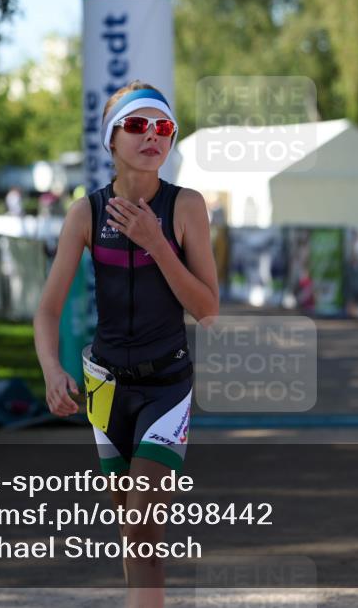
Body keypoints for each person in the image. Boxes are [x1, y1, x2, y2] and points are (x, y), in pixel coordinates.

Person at [33, 80, 219, 607]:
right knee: (137, 535)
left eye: (163, 127)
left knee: (139, 518)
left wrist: (157, 244)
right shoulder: (85, 213)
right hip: (106, 388)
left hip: (166, 387)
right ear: (111, 140)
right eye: (137, 125)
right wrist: (51, 369)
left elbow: (207, 309)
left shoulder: (185, 207)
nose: (152, 136)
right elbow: (47, 309)